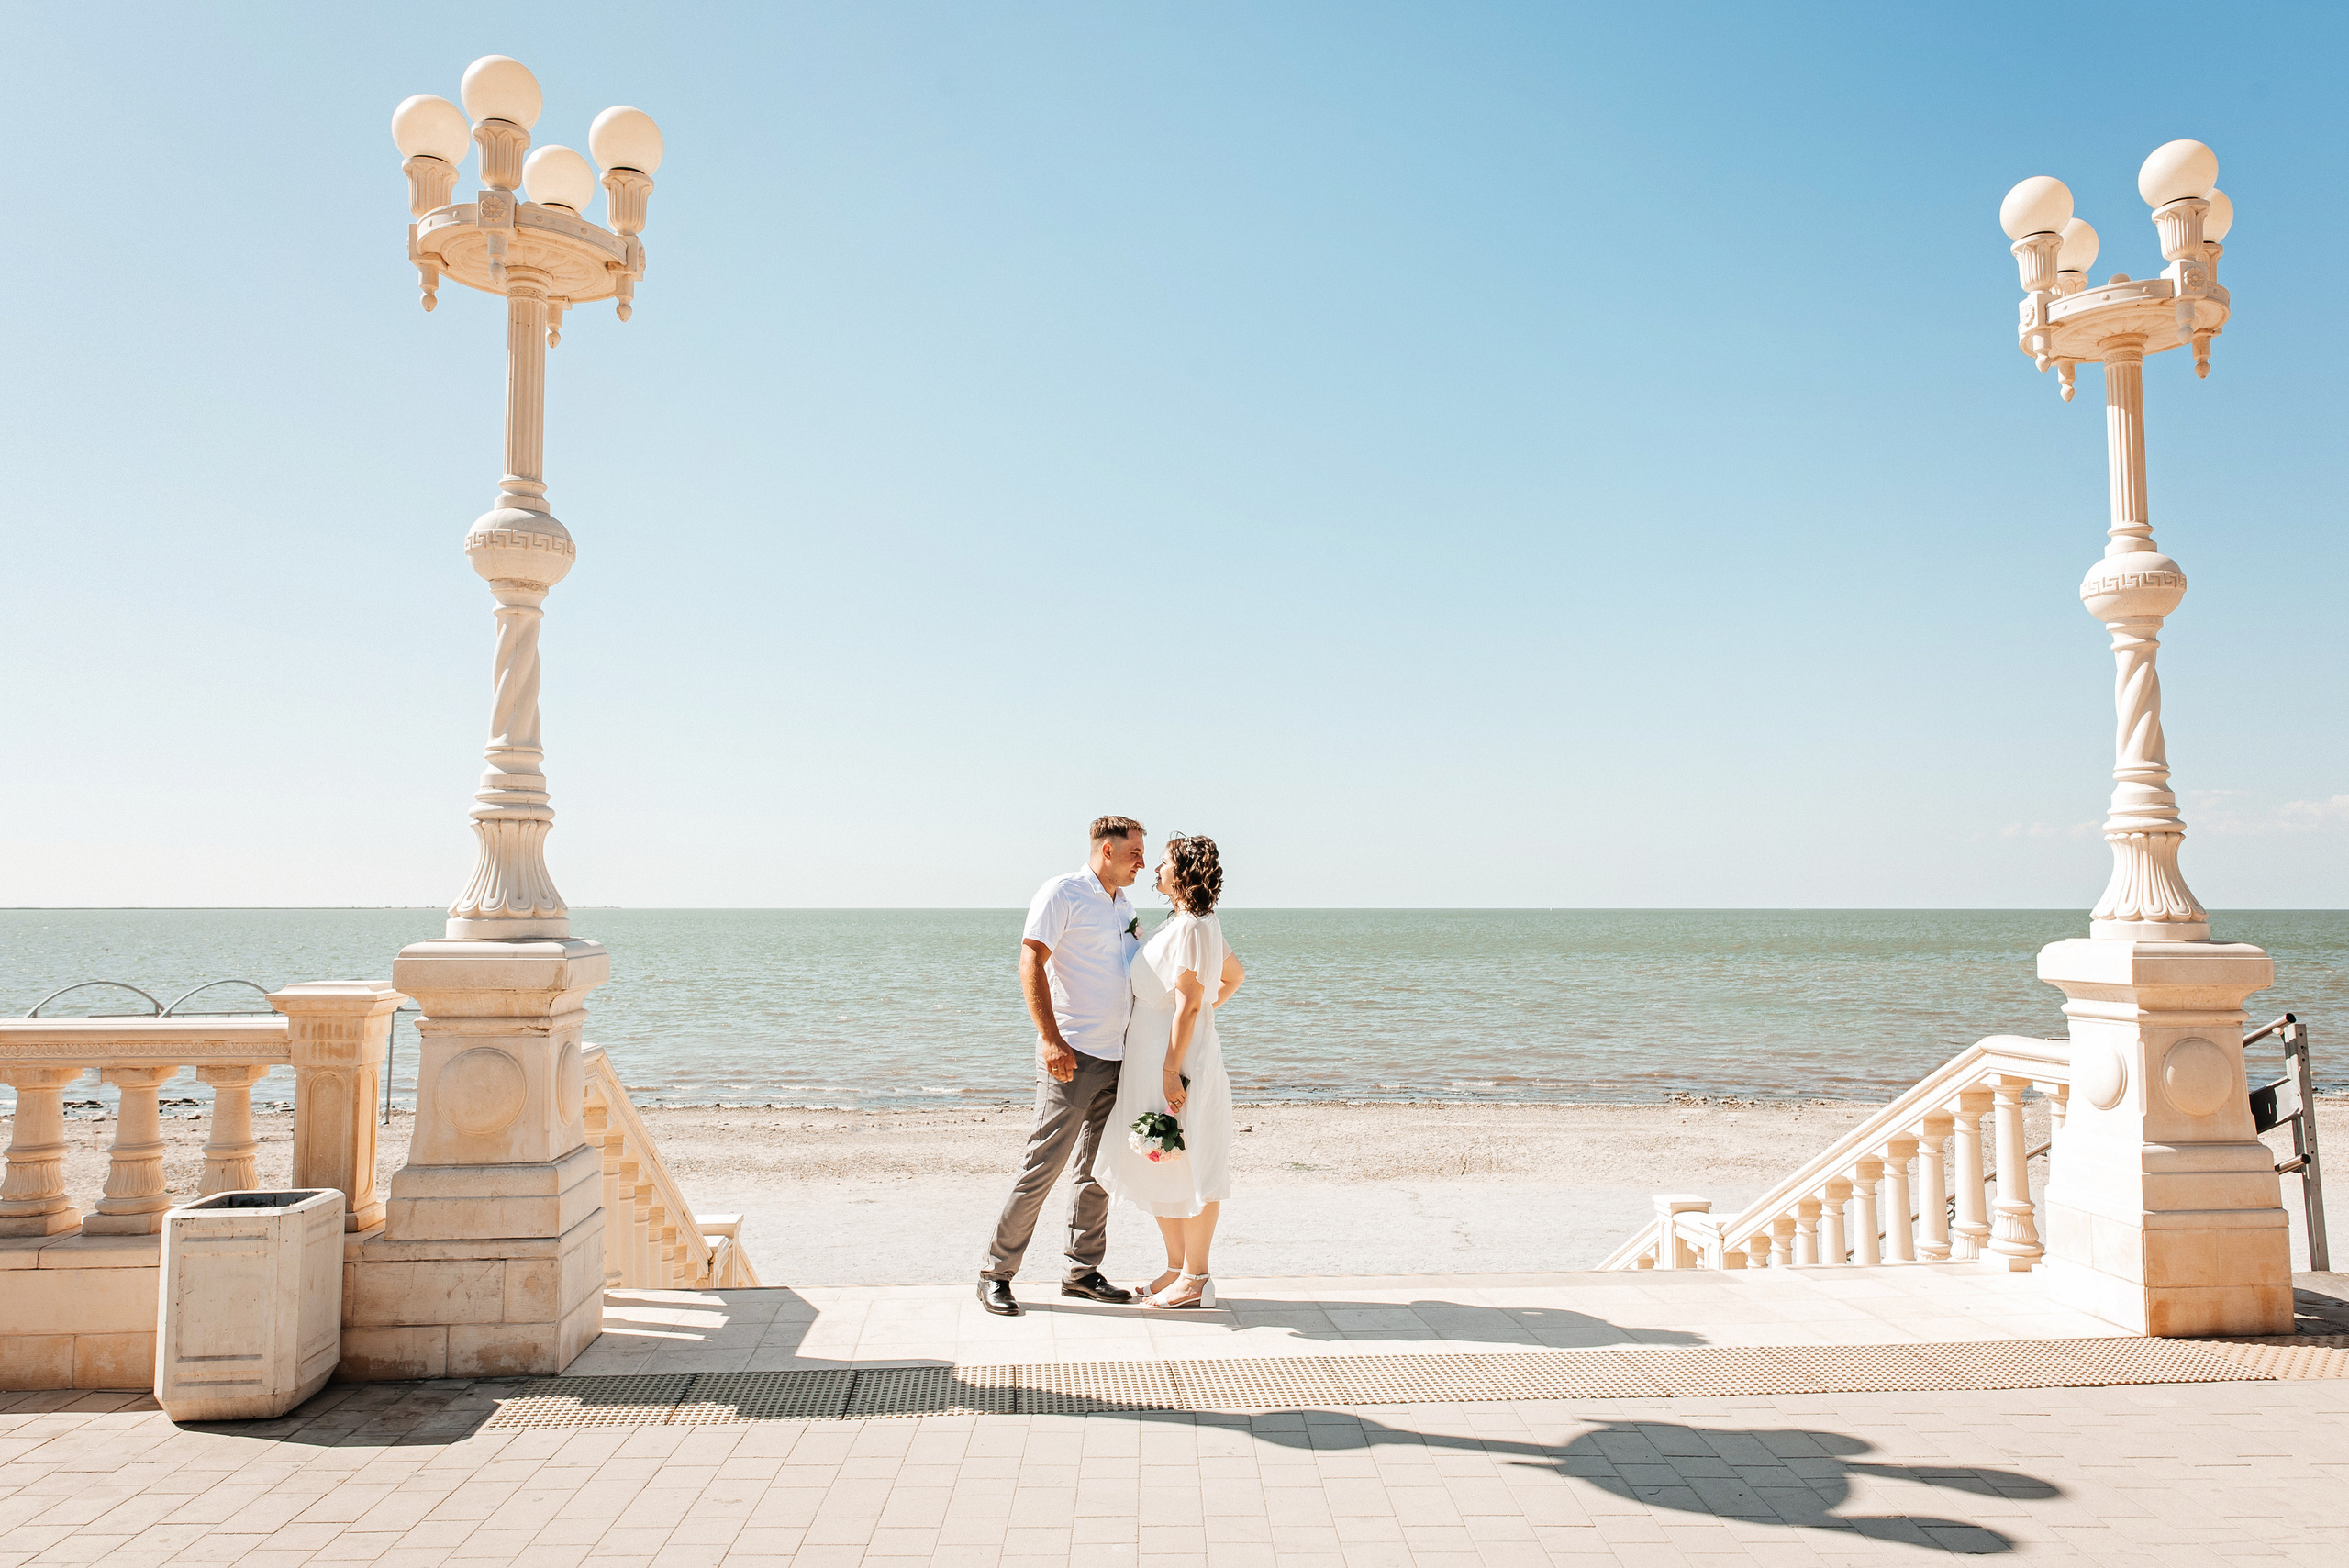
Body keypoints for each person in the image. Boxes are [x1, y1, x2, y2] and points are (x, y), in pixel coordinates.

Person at [977, 816, 1149, 1316]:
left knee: (1097, 1171)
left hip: (1120, 1057)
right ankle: (996, 1272)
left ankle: (1082, 1272)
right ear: (1106, 850)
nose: (1142, 860)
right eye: (1135, 851)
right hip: (1072, 1053)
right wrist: (1050, 1039)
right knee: (1043, 1165)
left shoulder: (1125, 905)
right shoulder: (1062, 893)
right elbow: (1030, 962)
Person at [1098, 834, 1245, 1309]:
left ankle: (1197, 1278)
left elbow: (1188, 1005)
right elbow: (1233, 976)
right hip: (1152, 1060)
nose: (1154, 870)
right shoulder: (1185, 923)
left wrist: (1171, 1067)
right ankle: (1175, 1266)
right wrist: (1201, 1013)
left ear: (1181, 872)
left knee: (1194, 1158)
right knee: (1162, 1157)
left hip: (1176, 1065)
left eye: (1161, 863)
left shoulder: (1195, 927)